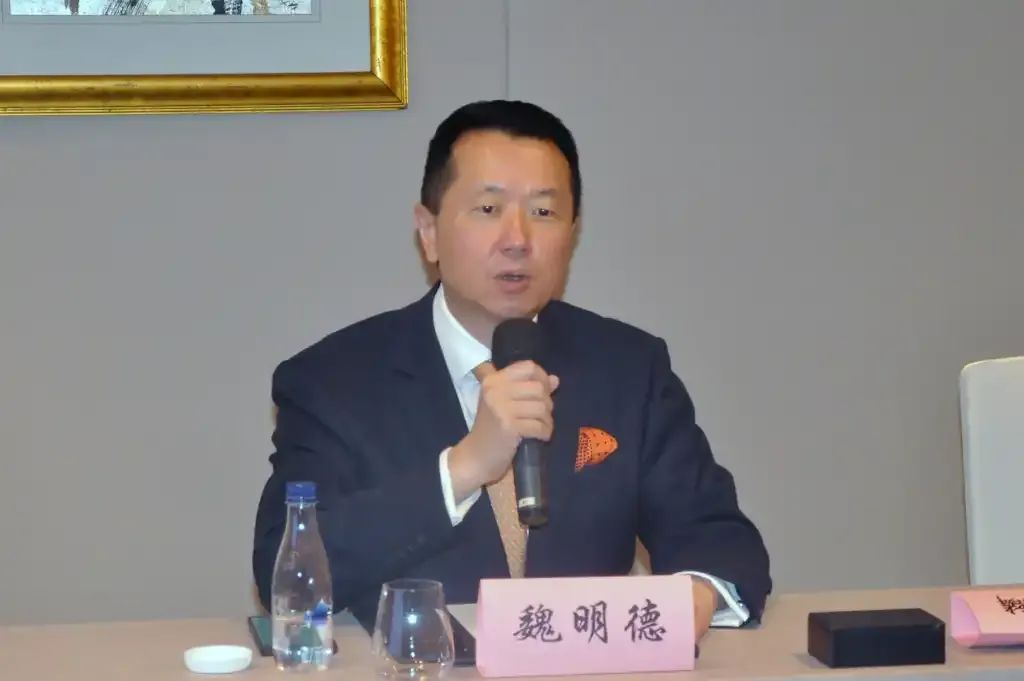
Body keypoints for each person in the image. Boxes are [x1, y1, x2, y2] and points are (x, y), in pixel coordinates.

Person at [252, 100, 771, 639]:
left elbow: (718, 538)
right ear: (428, 232)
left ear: (572, 233)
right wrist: (463, 468)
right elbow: (282, 572)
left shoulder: (628, 367)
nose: (518, 239)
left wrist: (689, 601)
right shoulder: (332, 381)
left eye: (543, 212)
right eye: (488, 208)